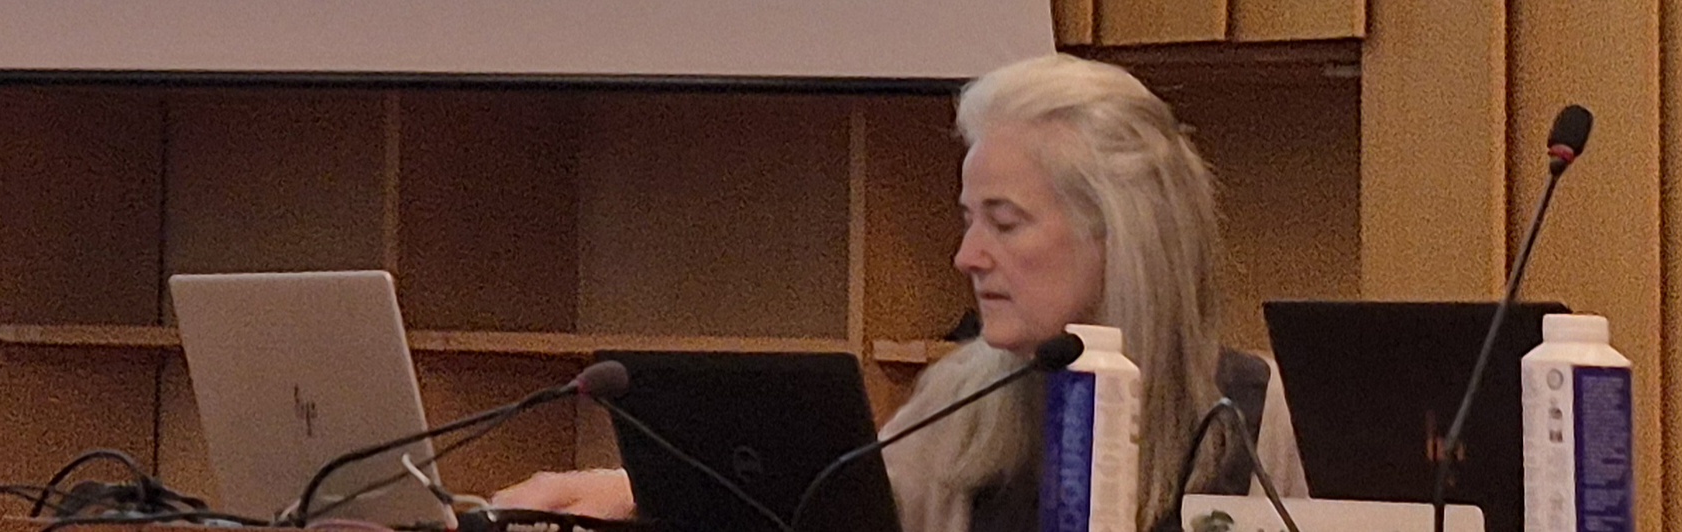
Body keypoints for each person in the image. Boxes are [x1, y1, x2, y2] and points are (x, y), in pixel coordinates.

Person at [487, 54, 1305, 532]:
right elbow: (828, 511)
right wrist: (635, 495)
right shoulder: (960, 400)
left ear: (1120, 234)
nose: (967, 256)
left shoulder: (1260, 418)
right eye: (968, 220)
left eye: (1005, 223)